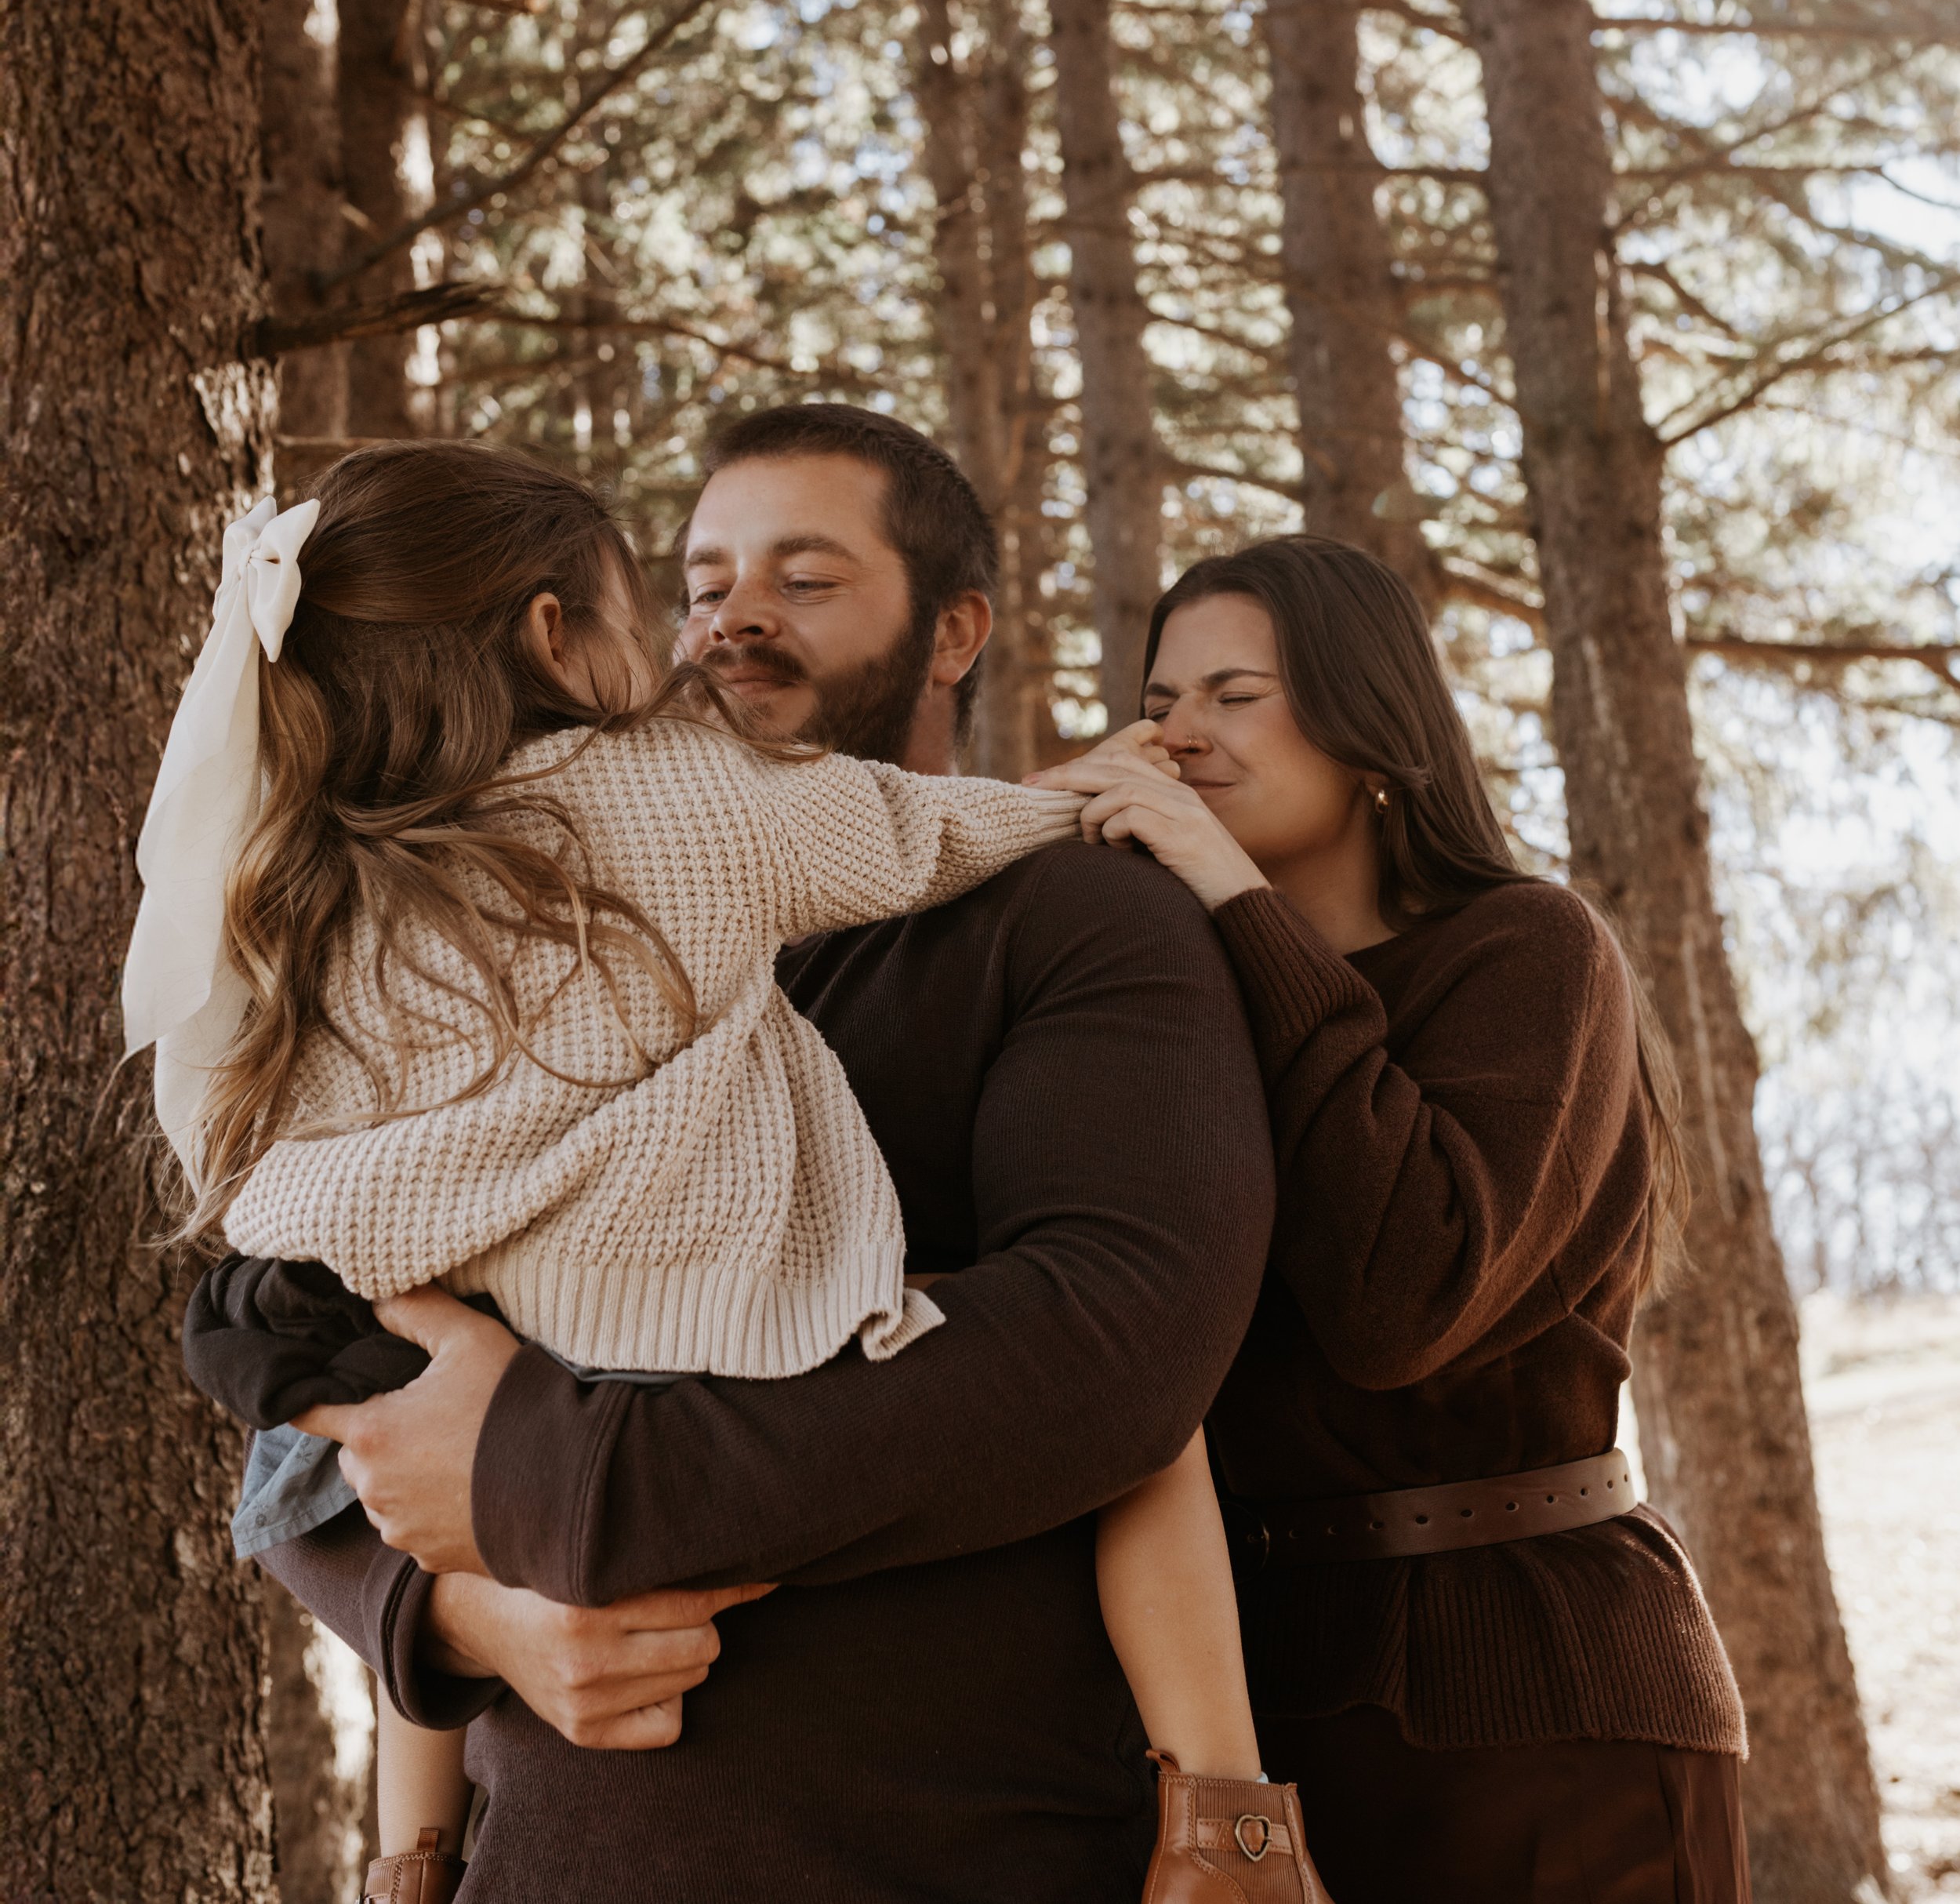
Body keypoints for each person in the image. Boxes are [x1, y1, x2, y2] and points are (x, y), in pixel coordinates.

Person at [163, 411, 1289, 1904]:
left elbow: (1119, 1348)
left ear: (955, 630)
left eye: (806, 579)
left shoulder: (1077, 921)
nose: (734, 617)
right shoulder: (497, 912)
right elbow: (330, 1412)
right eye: (700, 583)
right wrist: (451, 1618)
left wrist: (554, 1481)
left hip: (951, 1854)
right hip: (549, 1865)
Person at [1032, 533, 1751, 1904]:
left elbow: (1401, 1297)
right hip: (1241, 1718)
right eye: (1161, 698)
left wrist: (1243, 907)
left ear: (1372, 725)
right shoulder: (1168, 994)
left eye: (1234, 696)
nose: (1178, 736)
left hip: (1535, 1698)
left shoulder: (1530, 949)